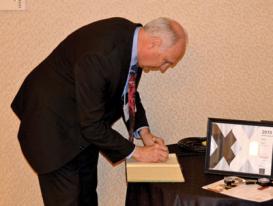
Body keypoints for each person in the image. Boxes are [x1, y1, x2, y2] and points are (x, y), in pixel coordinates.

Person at [11, 17, 187, 206]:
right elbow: (92, 125)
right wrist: (137, 152)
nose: (164, 69)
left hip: (83, 127)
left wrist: (144, 132)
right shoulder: (101, 54)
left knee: (87, 197)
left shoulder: (131, 42)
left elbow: (128, 91)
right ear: (155, 43)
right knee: (67, 200)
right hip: (51, 129)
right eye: (167, 61)